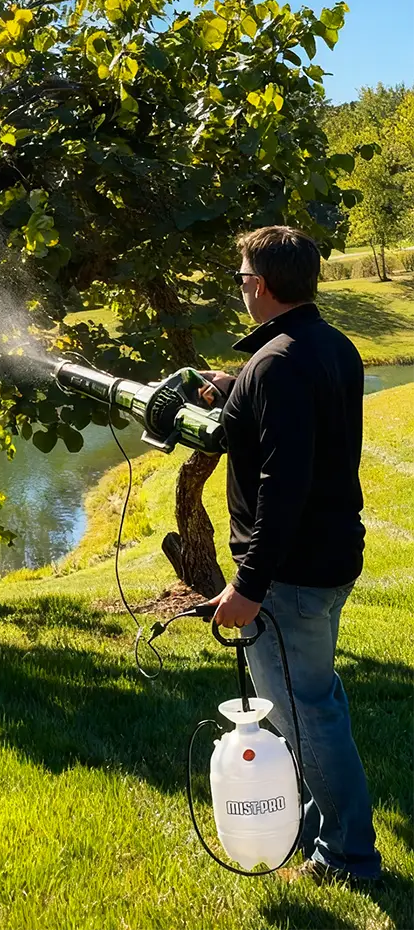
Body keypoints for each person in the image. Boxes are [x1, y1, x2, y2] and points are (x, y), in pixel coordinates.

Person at [203, 225, 382, 884]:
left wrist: (249, 584)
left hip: (291, 575)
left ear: (262, 285)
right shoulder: (329, 346)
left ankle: (347, 856)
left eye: (242, 277)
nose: (241, 288)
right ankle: (312, 825)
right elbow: (297, 427)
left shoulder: (277, 362)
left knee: (308, 713)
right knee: (312, 702)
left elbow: (286, 483)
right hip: (328, 559)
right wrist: (236, 389)